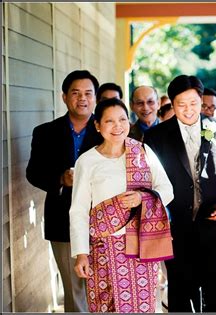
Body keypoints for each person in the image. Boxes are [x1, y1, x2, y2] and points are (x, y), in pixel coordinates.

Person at [144, 75, 216, 312]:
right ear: (172, 105)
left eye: (194, 103)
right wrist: (162, 221)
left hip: (215, 224)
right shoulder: (157, 136)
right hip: (177, 228)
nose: (188, 110)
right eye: (181, 104)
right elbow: (151, 183)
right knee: (182, 294)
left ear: (201, 100)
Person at [69, 98, 174, 313]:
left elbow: (167, 190)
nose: (117, 126)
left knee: (141, 307)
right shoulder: (87, 161)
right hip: (103, 248)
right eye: (109, 121)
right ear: (97, 125)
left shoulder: (143, 153)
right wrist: (81, 253)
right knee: (105, 306)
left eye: (122, 119)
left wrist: (142, 198)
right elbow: (78, 210)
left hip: (140, 247)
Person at [26, 70, 102, 312]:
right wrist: (61, 179)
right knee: (75, 291)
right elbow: (33, 172)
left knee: (104, 288)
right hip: (63, 221)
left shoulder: (109, 129)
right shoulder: (45, 132)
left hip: (105, 221)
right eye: (75, 93)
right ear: (64, 97)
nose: (82, 99)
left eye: (88, 93)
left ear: (96, 98)